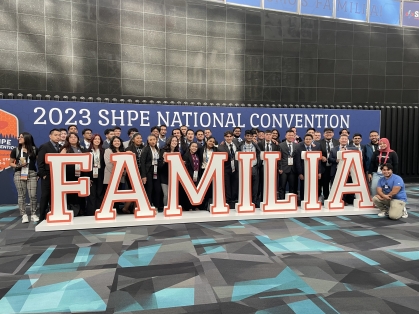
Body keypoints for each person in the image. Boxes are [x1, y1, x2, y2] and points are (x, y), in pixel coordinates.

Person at [9, 132, 39, 223]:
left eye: (21, 137)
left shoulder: (34, 149)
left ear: (27, 138)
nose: (19, 138)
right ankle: (24, 215)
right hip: (19, 173)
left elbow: (39, 162)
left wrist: (39, 173)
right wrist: (18, 165)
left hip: (32, 174)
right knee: (21, 195)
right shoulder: (16, 150)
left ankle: (33, 214)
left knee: (33, 195)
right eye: (19, 137)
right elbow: (10, 163)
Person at [37, 128, 61, 222]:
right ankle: (42, 217)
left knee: (55, 196)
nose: (58, 137)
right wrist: (43, 174)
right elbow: (40, 162)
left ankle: (53, 214)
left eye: (59, 135)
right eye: (55, 135)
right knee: (45, 195)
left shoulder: (61, 147)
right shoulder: (45, 146)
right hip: (47, 175)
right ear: (50, 136)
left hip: (58, 175)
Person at [328, 134, 357, 205]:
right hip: (336, 170)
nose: (344, 140)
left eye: (345, 139)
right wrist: (336, 160)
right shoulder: (334, 149)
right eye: (342, 139)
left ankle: (345, 200)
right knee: (335, 186)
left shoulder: (353, 149)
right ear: (339, 140)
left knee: (346, 186)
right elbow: (329, 159)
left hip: (348, 172)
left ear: (347, 140)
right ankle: (335, 200)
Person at [60, 133, 84, 216]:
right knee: (70, 193)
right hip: (69, 174)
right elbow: (60, 161)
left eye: (75, 137)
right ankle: (70, 209)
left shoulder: (81, 148)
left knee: (79, 193)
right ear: (68, 139)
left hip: (79, 173)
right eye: (71, 137)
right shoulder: (65, 149)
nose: (73, 139)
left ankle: (79, 210)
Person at [295, 134, 322, 201]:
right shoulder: (299, 148)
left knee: (314, 186)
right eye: (306, 139)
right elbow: (298, 161)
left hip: (314, 171)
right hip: (303, 171)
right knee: (303, 186)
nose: (308, 140)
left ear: (312, 140)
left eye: (309, 139)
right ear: (304, 140)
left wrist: (319, 172)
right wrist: (300, 173)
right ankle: (302, 200)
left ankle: (314, 200)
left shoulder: (315, 148)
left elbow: (319, 161)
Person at [122, 133, 144, 214]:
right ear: (133, 140)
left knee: (139, 191)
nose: (139, 140)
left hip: (141, 172)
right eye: (137, 138)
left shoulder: (144, 148)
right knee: (134, 191)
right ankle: (125, 207)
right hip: (131, 173)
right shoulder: (129, 148)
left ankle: (135, 208)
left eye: (140, 138)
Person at [238, 130, 261, 205]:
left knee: (254, 187)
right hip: (243, 168)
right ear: (244, 136)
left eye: (251, 136)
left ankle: (253, 202)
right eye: (247, 136)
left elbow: (259, 155)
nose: (249, 137)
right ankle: (244, 202)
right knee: (244, 186)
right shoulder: (240, 145)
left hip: (253, 167)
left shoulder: (256, 145)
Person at [103, 136, 126, 213]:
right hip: (111, 176)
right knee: (109, 195)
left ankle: (116, 209)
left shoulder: (123, 151)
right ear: (112, 143)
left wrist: (122, 172)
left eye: (118, 141)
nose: (117, 142)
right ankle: (109, 210)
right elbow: (108, 163)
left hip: (121, 176)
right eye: (115, 141)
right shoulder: (108, 151)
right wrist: (117, 172)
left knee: (118, 194)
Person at [218, 131, 240, 209]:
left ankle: (234, 201)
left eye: (230, 136)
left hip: (236, 168)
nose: (229, 138)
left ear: (233, 137)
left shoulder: (237, 145)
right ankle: (228, 201)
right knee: (227, 186)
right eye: (227, 136)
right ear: (225, 137)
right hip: (226, 169)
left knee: (235, 185)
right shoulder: (220, 147)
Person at [140, 135, 162, 211]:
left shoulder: (157, 149)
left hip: (156, 171)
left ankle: (156, 205)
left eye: (154, 139)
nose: (153, 141)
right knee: (149, 189)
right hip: (148, 171)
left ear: (156, 140)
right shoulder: (145, 149)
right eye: (151, 140)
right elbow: (142, 163)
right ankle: (148, 206)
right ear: (148, 141)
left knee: (158, 189)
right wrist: (143, 175)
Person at [85, 134, 105, 216]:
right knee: (91, 193)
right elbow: (85, 165)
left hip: (101, 173)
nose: (97, 140)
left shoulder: (103, 151)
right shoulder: (87, 151)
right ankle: (91, 212)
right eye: (95, 139)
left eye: (98, 139)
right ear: (92, 140)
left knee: (100, 193)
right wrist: (87, 177)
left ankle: (99, 210)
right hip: (91, 173)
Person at [257, 130, 279, 202]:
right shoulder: (260, 144)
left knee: (272, 183)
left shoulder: (275, 144)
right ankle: (263, 200)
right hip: (262, 166)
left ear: (272, 136)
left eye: (270, 134)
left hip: (273, 167)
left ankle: (271, 199)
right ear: (264, 135)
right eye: (267, 134)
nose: (268, 136)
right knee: (263, 183)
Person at [318, 128, 339, 202]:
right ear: (324, 134)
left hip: (334, 166)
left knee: (335, 183)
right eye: (327, 133)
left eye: (330, 132)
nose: (328, 134)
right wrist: (321, 156)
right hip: (324, 166)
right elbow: (316, 152)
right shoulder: (319, 143)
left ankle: (334, 198)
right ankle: (326, 198)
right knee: (325, 183)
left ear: (333, 134)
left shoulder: (337, 142)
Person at [158, 136, 179, 208]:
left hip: (173, 176)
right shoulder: (163, 151)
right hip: (164, 176)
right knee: (166, 194)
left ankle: (172, 208)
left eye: (176, 141)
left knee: (173, 194)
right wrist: (164, 160)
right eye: (173, 141)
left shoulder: (177, 152)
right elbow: (160, 166)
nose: (174, 142)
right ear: (169, 142)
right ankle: (166, 208)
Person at [278, 129, 299, 199]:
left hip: (293, 169)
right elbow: (279, 158)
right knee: (282, 187)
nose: (291, 136)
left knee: (292, 187)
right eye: (289, 135)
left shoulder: (296, 145)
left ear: (294, 136)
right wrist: (280, 168)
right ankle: (281, 201)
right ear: (286, 136)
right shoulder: (280, 145)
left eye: (292, 135)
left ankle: (291, 202)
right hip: (283, 169)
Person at [199, 136, 218, 210]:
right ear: (206, 141)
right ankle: (203, 206)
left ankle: (211, 205)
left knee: (212, 190)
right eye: (210, 141)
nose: (211, 143)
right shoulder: (201, 149)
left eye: (213, 142)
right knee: (204, 190)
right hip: (203, 171)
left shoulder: (216, 150)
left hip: (213, 172)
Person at [183, 142, 202, 211]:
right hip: (189, 176)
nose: (194, 148)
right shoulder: (186, 155)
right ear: (189, 147)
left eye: (196, 147)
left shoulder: (197, 155)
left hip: (196, 176)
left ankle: (196, 206)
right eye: (193, 146)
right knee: (189, 192)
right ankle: (189, 207)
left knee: (197, 191)